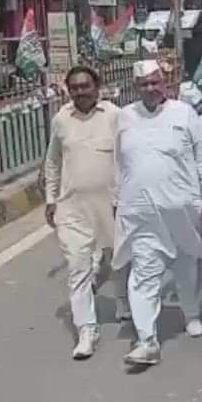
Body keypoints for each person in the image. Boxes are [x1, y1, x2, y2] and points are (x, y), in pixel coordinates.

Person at [115, 60, 202, 366]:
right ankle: (147, 340)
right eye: (144, 84)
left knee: (186, 265)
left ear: (165, 82)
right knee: (144, 273)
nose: (151, 88)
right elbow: (118, 164)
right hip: (141, 212)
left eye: (155, 82)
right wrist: (117, 201)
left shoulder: (184, 114)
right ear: (136, 87)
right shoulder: (124, 117)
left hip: (183, 208)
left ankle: (191, 313)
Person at [44, 65, 125, 360]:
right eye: (74, 87)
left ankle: (124, 303)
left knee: (120, 261)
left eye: (85, 86)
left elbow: (128, 158)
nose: (80, 92)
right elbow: (53, 162)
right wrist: (51, 198)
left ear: (97, 86)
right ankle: (86, 330)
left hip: (111, 207)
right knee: (78, 268)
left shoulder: (115, 116)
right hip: (72, 208)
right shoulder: (61, 120)